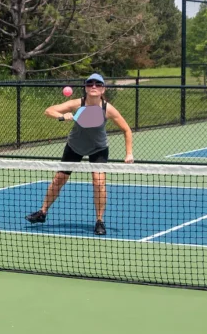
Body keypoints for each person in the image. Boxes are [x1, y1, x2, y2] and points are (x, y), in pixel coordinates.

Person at [25, 73, 134, 235]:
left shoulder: (107, 109)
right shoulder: (77, 104)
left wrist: (129, 153)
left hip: (98, 148)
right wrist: (62, 116)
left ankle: (99, 221)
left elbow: (126, 130)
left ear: (103, 89)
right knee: (58, 180)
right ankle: (42, 212)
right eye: (90, 84)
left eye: (98, 84)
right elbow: (49, 111)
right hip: (74, 146)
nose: (94, 86)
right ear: (85, 88)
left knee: (99, 182)